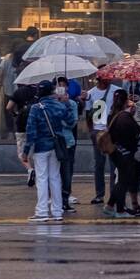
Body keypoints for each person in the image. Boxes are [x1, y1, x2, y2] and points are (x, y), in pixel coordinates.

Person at [22, 80, 75, 222]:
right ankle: (57, 211)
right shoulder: (60, 105)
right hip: (56, 147)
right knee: (55, 178)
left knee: (42, 178)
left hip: (40, 147)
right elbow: (71, 121)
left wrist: (25, 151)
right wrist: (67, 102)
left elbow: (31, 132)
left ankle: (42, 211)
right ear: (52, 91)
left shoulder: (36, 108)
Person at [103, 90, 140, 218]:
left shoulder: (113, 114)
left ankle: (109, 206)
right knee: (123, 181)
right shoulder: (125, 116)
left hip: (115, 151)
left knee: (121, 180)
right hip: (125, 153)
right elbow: (135, 132)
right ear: (126, 101)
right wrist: (132, 113)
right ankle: (120, 210)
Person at [85, 75, 122, 204]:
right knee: (99, 164)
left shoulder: (116, 91)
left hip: (112, 131)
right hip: (98, 131)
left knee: (114, 164)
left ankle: (114, 194)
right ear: (99, 78)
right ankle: (99, 194)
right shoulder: (91, 94)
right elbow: (88, 113)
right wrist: (91, 131)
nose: (109, 79)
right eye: (106, 77)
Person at [54, 76, 79, 211]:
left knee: (67, 172)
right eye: (59, 85)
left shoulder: (72, 104)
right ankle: (55, 199)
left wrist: (65, 106)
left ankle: (65, 199)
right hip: (55, 142)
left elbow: (72, 122)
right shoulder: (51, 103)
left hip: (68, 142)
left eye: (63, 85)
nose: (61, 88)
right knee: (54, 172)